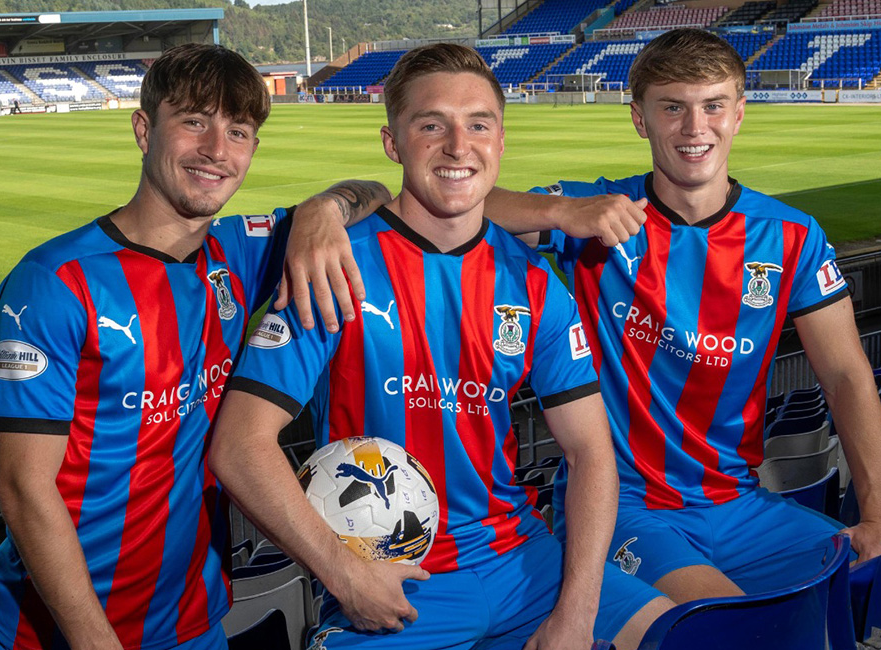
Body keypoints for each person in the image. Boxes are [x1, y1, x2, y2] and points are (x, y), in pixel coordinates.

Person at [209, 42, 669, 650]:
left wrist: (576, 615)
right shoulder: (333, 265)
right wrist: (344, 574)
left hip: (523, 563)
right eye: (432, 125)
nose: (458, 146)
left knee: (682, 633)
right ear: (392, 143)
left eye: (478, 125)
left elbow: (590, 453)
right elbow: (239, 446)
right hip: (393, 583)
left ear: (500, 141)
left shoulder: (535, 283)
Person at [0, 43, 389, 650]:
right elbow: (22, 488)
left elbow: (375, 190)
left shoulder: (240, 252)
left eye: (238, 132)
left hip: (192, 621)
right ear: (144, 130)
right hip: (57, 634)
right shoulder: (54, 284)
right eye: (194, 122)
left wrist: (322, 210)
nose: (217, 150)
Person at [482, 27, 881, 612]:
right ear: (640, 119)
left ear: (738, 114)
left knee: (850, 587)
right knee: (732, 624)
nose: (695, 128)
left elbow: (846, 375)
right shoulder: (603, 216)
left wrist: (876, 514)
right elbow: (463, 206)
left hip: (743, 506)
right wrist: (562, 211)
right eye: (672, 108)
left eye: (712, 106)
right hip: (625, 508)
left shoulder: (790, 235)